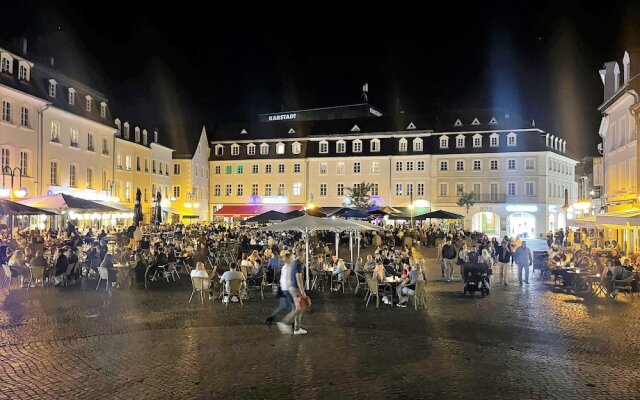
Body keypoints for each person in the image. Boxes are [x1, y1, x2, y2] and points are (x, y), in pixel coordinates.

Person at [278, 249, 308, 335]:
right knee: (299, 308)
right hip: (295, 288)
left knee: (297, 308)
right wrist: (302, 291)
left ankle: (296, 327)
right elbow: (298, 277)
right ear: (302, 255)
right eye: (304, 255)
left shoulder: (294, 262)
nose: (305, 257)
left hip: (292, 287)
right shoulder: (298, 264)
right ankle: (287, 323)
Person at [265, 252, 295, 327]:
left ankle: (270, 318)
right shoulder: (289, 268)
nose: (293, 259)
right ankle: (290, 322)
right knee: (294, 307)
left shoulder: (284, 267)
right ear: (289, 259)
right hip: (287, 289)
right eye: (292, 258)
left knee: (282, 306)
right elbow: (289, 280)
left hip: (282, 288)